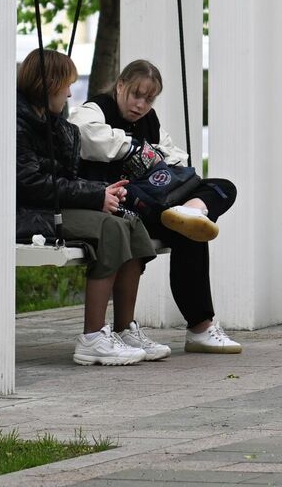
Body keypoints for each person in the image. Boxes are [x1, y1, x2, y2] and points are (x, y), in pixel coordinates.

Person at [71, 60, 243, 354]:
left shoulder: (150, 120)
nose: (141, 104)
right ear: (120, 85)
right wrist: (136, 148)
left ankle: (191, 210)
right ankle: (200, 327)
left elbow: (173, 155)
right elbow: (82, 133)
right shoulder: (96, 109)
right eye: (136, 94)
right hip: (123, 201)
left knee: (223, 187)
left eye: (149, 99)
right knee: (189, 233)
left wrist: (155, 155)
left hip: (154, 201)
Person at [15, 47, 166, 366]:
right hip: (28, 214)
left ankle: (125, 329)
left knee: (129, 220)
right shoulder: (19, 123)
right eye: (65, 85)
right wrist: (94, 195)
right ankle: (92, 337)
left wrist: (102, 191)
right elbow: (29, 184)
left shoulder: (54, 123)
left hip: (50, 205)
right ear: (49, 86)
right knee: (111, 226)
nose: (71, 92)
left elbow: (65, 176)